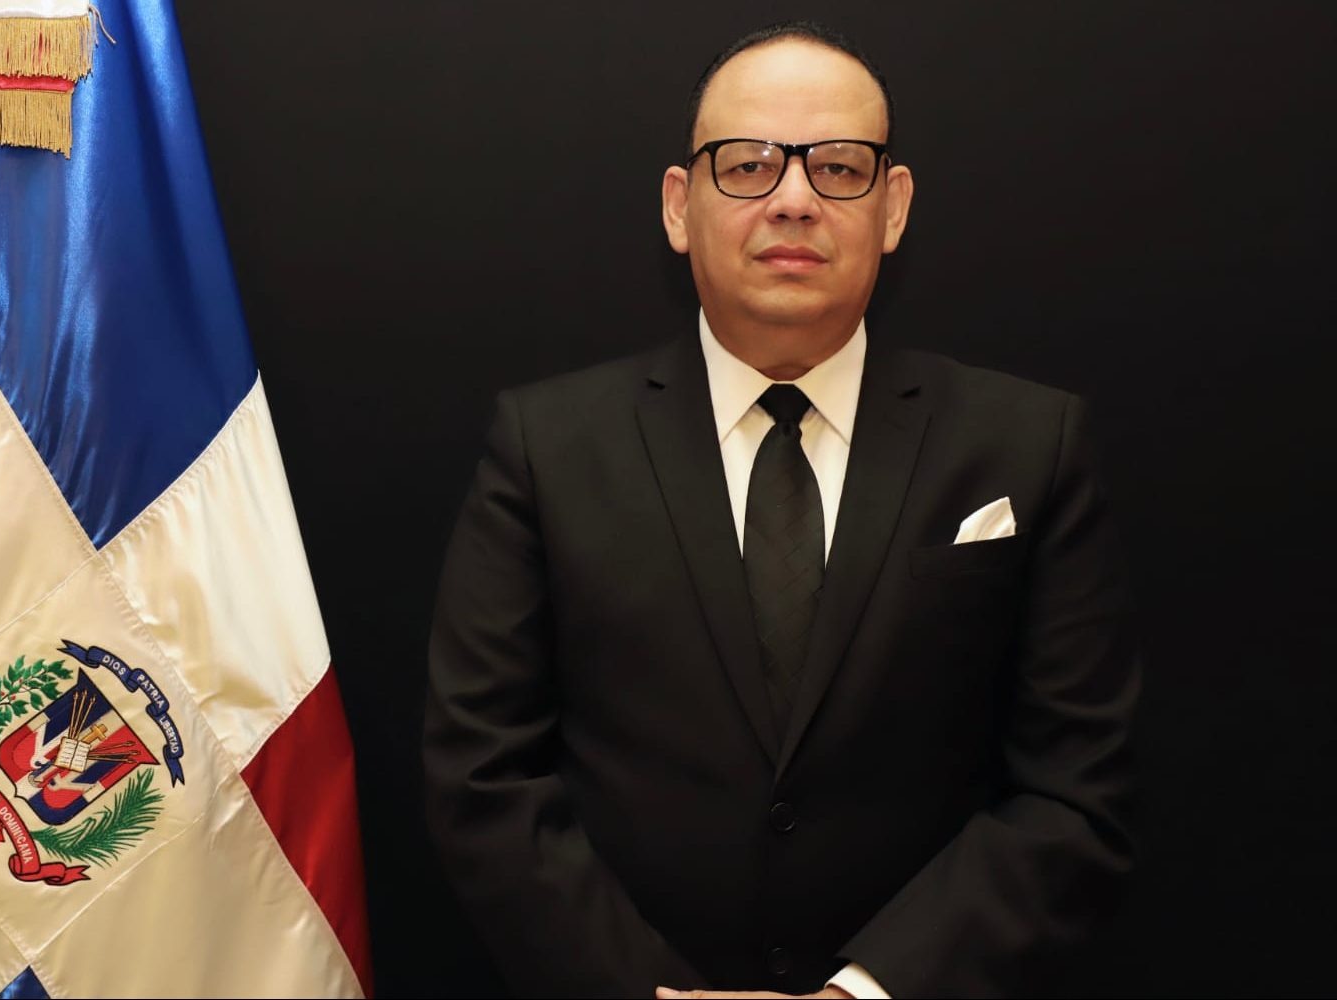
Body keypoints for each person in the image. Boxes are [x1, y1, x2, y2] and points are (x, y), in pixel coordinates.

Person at [423, 20, 1138, 999]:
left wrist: (861, 993)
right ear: (679, 206)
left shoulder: (1026, 444)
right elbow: (483, 779)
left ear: (893, 207)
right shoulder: (545, 446)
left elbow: (1075, 791)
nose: (794, 199)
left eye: (838, 167)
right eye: (747, 164)